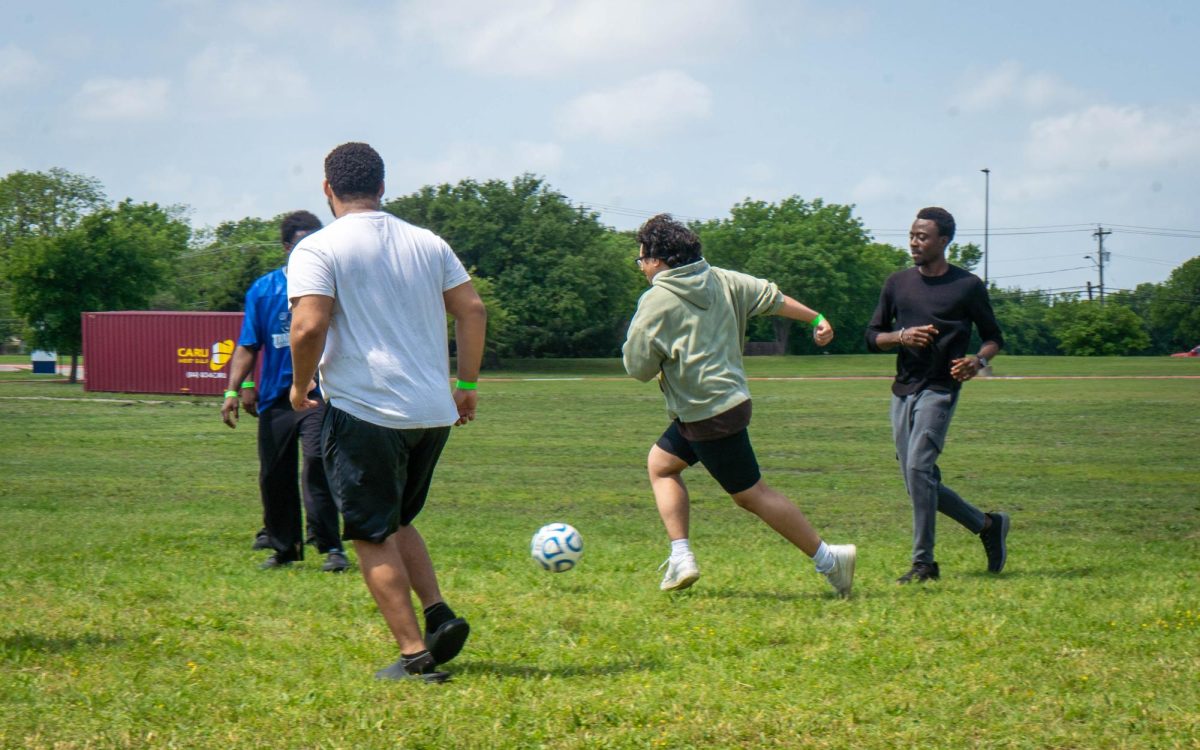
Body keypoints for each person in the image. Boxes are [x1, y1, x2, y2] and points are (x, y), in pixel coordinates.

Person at [287, 142, 487, 683]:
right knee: (397, 518)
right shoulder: (428, 242)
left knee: (371, 533)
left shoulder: (317, 248)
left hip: (367, 410)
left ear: (327, 188)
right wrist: (465, 384)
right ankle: (439, 612)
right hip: (430, 412)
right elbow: (471, 309)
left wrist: (301, 385)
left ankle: (415, 657)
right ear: (383, 186)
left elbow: (308, 326)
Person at [622, 214, 857, 597]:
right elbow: (773, 298)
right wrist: (817, 317)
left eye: (642, 259)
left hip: (704, 414)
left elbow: (637, 368)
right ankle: (681, 555)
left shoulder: (656, 300)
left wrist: (661, 356)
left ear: (660, 259)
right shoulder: (723, 279)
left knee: (751, 495)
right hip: (727, 403)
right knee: (662, 465)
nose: (642, 267)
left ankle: (830, 561)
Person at [865, 206, 1009, 584]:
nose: (914, 242)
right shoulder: (897, 283)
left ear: (943, 241)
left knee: (918, 470)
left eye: (922, 236)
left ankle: (924, 564)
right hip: (902, 390)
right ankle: (988, 525)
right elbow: (872, 336)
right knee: (919, 480)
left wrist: (977, 362)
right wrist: (900, 336)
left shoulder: (967, 286)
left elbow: (995, 337)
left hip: (940, 389)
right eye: (912, 235)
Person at [221, 210, 347, 573]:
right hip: (277, 397)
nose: (308, 250)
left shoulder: (331, 288)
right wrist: (235, 389)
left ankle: (331, 547)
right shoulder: (263, 290)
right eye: (300, 243)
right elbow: (248, 345)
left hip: (320, 394)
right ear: (286, 247)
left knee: (317, 464)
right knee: (273, 472)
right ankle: (284, 547)